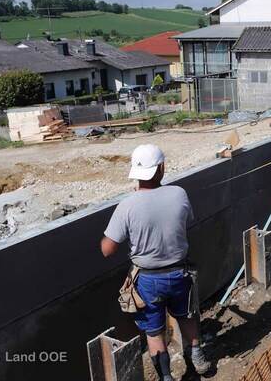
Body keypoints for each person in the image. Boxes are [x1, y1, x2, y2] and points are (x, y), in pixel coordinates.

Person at [100, 144, 211, 381]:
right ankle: (198, 359)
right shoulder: (179, 193)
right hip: (180, 274)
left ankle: (166, 377)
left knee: (154, 332)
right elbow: (184, 222)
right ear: (161, 168)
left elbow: (107, 250)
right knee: (187, 317)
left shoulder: (127, 206)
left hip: (148, 281)